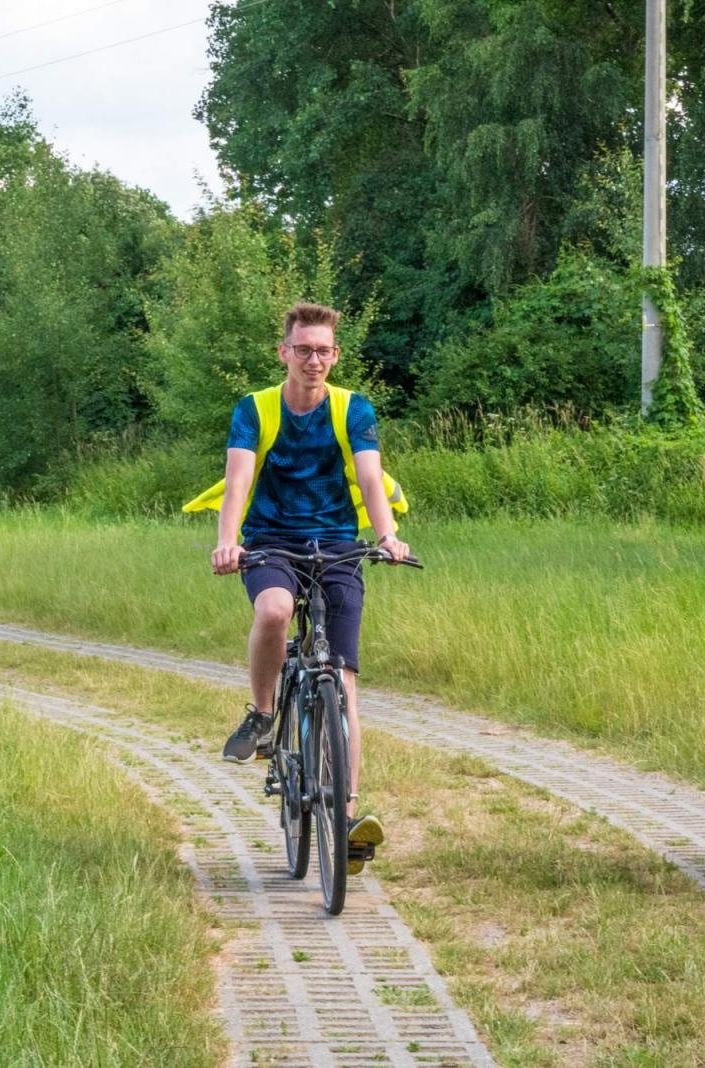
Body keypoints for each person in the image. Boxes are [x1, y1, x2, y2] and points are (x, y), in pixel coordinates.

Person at [191, 301, 409, 871]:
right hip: (270, 540)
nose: (314, 360)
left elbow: (369, 475)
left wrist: (387, 535)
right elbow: (239, 479)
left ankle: (348, 815)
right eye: (304, 349)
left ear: (335, 356)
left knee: (343, 683)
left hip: (337, 545)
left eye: (324, 351)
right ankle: (264, 714)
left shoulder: (352, 408)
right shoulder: (256, 408)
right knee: (274, 610)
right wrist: (227, 541)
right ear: (284, 352)